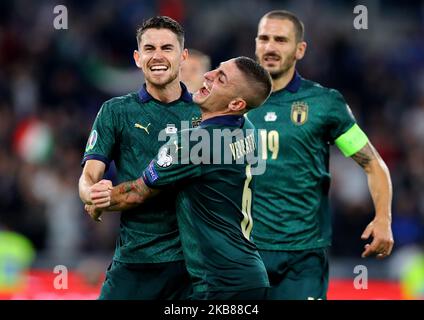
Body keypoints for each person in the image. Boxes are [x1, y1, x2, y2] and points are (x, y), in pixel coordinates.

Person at [86, 56, 273, 300]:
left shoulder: (193, 143)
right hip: (248, 276)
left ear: (237, 104)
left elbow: (135, 193)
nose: (208, 76)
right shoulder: (248, 129)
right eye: (216, 69)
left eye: (221, 78)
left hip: (220, 284)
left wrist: (98, 199)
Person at [246, 10, 394, 300]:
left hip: (303, 257)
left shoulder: (324, 103)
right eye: (264, 38)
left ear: (300, 49)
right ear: (255, 44)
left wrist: (383, 219)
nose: (270, 47)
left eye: (281, 40)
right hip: (243, 252)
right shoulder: (231, 101)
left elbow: (373, 164)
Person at [78, 16, 201, 300]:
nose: (157, 56)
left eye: (167, 48)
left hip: (191, 268)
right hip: (135, 262)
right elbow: (88, 178)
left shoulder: (204, 114)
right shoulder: (116, 111)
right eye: (149, 48)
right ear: (137, 57)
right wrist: (92, 193)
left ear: (182, 56)